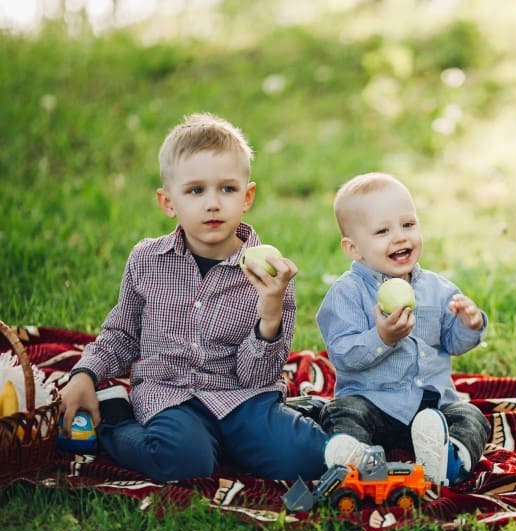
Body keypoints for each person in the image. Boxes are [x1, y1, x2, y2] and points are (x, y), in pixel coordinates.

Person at [59, 113, 328, 482]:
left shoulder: (270, 274)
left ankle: (240, 439)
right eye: (196, 190)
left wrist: (270, 313)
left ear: (247, 196)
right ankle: (116, 420)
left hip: (240, 396)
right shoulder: (147, 261)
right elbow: (121, 334)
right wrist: (86, 374)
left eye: (227, 189)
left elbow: (258, 374)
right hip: (170, 394)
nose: (213, 203)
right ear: (168, 202)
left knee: (310, 458)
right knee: (185, 462)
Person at [316, 172, 490, 486]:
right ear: (354, 248)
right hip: (373, 403)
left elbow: (453, 342)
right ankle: (358, 460)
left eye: (408, 225)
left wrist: (470, 323)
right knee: (341, 412)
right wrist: (383, 338)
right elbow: (343, 355)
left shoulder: (438, 289)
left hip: (432, 408)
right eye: (383, 231)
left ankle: (448, 460)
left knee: (470, 417)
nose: (400, 237)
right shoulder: (347, 294)